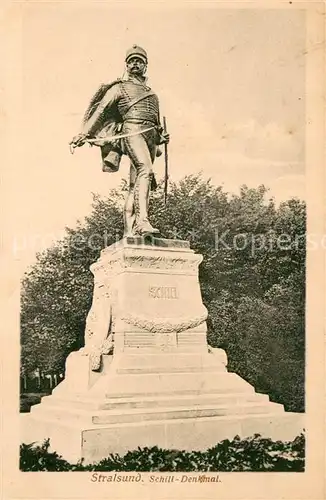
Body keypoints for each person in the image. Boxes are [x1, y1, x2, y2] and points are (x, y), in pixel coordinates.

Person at [70, 45, 169, 236]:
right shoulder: (119, 88)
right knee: (145, 170)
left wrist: (161, 137)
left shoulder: (153, 94)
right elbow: (100, 111)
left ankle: (129, 233)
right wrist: (84, 133)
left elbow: (155, 123)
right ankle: (143, 222)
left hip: (150, 137)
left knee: (137, 183)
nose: (135, 64)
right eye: (131, 61)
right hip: (132, 131)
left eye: (139, 61)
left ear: (145, 66)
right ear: (126, 65)